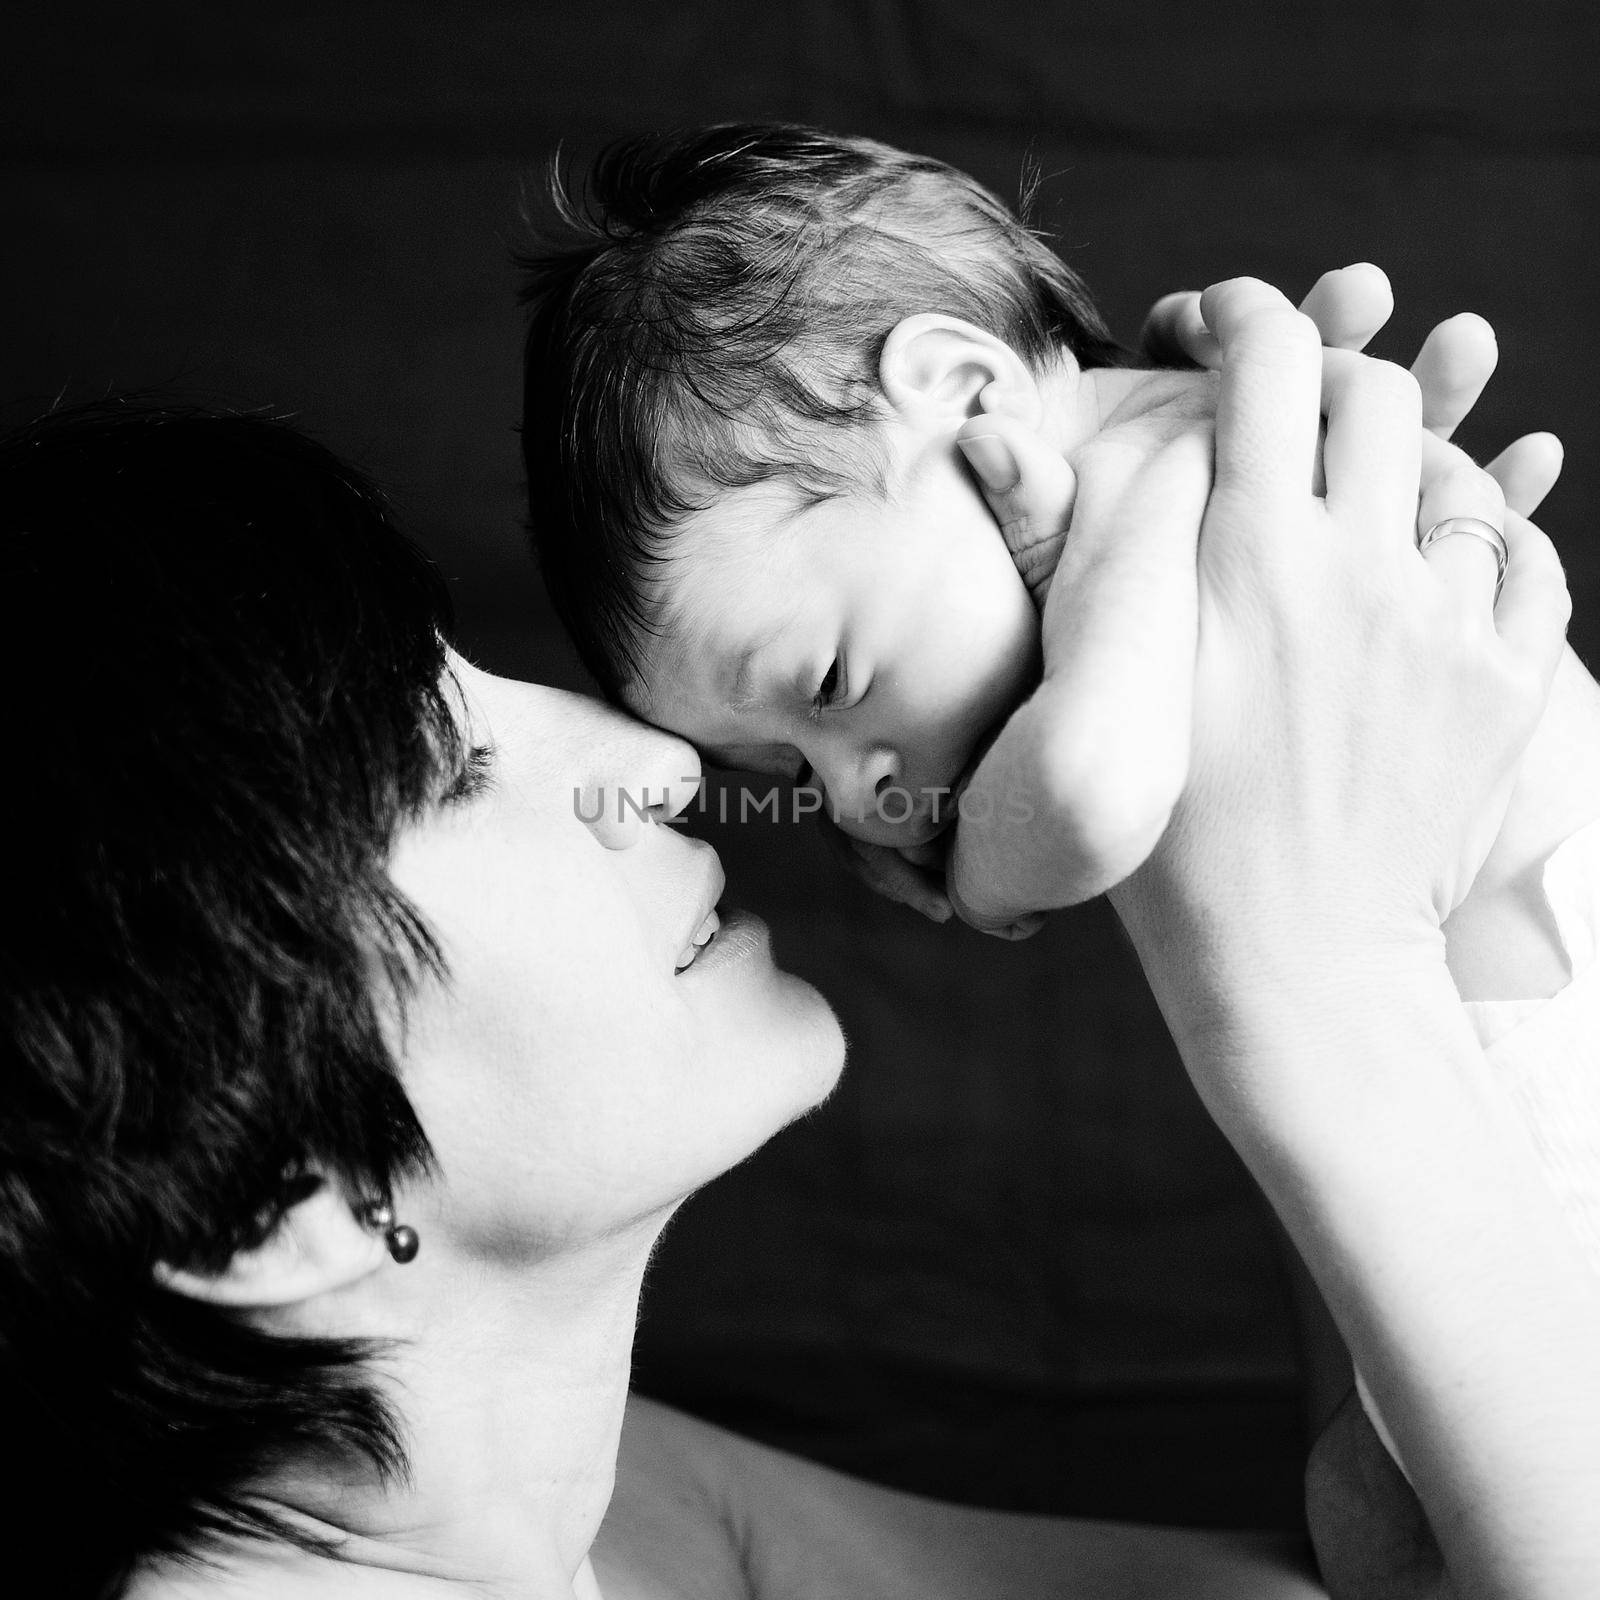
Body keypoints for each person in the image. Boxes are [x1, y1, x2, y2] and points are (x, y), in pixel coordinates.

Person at [4, 276, 1595, 1600]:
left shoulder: (597, 1525)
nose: (659, 764)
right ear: (267, 1206)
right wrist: (1316, 967)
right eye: (453, 769)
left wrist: (1244, 686)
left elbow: (1385, 1578)